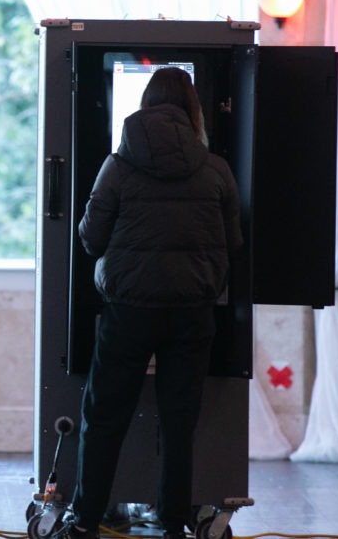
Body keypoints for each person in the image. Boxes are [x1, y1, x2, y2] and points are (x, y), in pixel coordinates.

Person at [63, 67, 243, 539]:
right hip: (193, 314)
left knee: (103, 419)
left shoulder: (118, 166)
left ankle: (85, 521)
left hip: (128, 311)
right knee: (179, 424)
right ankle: (173, 523)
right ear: (193, 110)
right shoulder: (216, 169)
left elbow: (90, 238)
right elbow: (233, 243)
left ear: (144, 105)